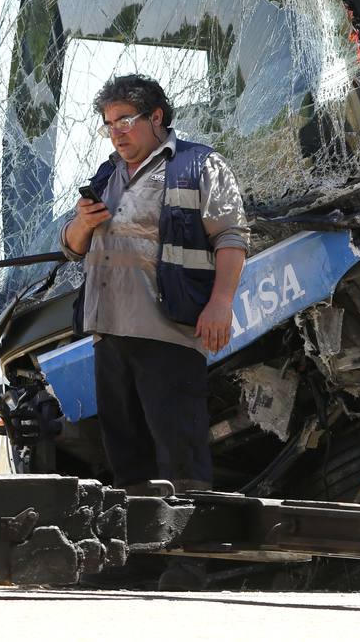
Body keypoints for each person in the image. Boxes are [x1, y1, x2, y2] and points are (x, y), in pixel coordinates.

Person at [61, 74, 248, 500]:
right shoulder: (107, 174)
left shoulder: (201, 165)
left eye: (125, 120)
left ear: (157, 116)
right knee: (127, 462)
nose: (116, 132)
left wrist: (220, 303)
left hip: (169, 332)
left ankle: (187, 566)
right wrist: (83, 223)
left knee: (180, 456)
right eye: (109, 124)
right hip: (108, 334)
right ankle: (144, 559)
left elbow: (232, 238)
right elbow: (73, 248)